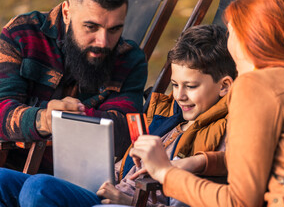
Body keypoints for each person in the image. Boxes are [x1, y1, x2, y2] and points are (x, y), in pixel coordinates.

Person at [129, 0, 284, 206]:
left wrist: (165, 173)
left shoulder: (256, 85)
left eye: (231, 32)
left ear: (248, 38)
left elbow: (239, 201)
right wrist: (201, 161)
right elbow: (261, 160)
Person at [0, 24, 237, 206]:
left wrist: (126, 201)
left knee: (39, 188)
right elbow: (126, 168)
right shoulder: (170, 118)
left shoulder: (223, 134)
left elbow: (188, 200)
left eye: (191, 87)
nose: (179, 95)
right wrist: (102, 171)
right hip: (105, 190)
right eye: (175, 85)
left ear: (224, 86)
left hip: (121, 203)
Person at [0, 0, 147, 169]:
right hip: (9, 167)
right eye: (91, 27)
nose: (103, 42)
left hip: (79, 179)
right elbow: (2, 106)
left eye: (114, 29)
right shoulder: (22, 34)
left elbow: (127, 132)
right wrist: (43, 119)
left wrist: (75, 116)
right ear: (67, 13)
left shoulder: (130, 59)